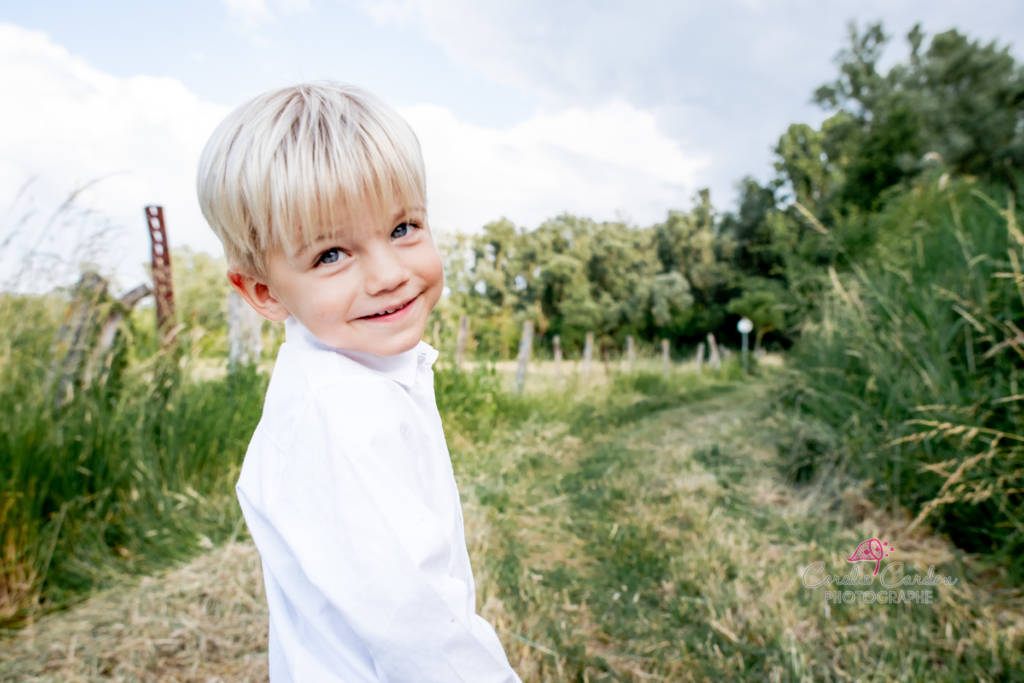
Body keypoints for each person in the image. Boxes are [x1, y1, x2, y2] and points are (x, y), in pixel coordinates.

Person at [196, 82, 521, 682]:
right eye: (330, 255)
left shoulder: (361, 378)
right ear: (264, 293)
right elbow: (418, 630)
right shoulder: (342, 413)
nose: (389, 274)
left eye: (403, 229)